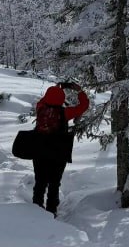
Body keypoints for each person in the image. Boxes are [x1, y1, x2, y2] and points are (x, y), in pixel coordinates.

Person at [32, 81, 89, 215]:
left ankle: (35, 211)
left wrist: (56, 88)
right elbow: (84, 106)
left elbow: (45, 99)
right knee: (54, 183)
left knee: (40, 182)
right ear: (62, 99)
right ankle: (51, 212)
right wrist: (80, 92)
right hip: (58, 152)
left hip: (39, 151)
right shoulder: (66, 113)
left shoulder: (40, 108)